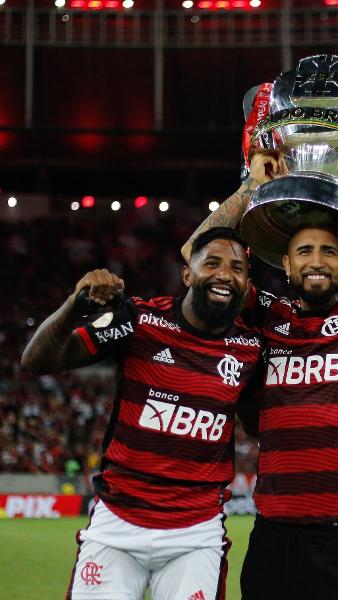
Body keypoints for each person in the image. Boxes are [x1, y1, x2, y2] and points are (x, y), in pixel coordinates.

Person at [182, 147, 338, 600]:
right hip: (276, 538)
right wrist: (251, 185)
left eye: (328, 252)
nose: (316, 260)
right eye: (304, 251)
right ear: (287, 263)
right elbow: (195, 253)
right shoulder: (265, 316)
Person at [21, 227, 265, 600]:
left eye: (237, 268)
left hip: (195, 535)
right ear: (188, 273)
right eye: (212, 263)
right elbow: (36, 361)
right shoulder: (138, 320)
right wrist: (75, 306)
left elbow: (257, 425)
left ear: (247, 284)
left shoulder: (249, 349)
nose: (224, 274)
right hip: (117, 524)